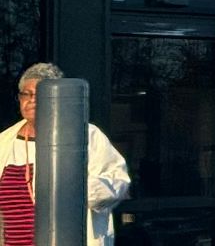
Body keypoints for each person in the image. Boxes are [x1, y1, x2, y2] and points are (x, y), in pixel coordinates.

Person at [0, 63, 130, 246]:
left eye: (39, 95)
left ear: (56, 98)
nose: (32, 100)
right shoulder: (4, 141)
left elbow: (118, 183)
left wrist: (72, 188)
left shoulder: (85, 135)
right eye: (26, 94)